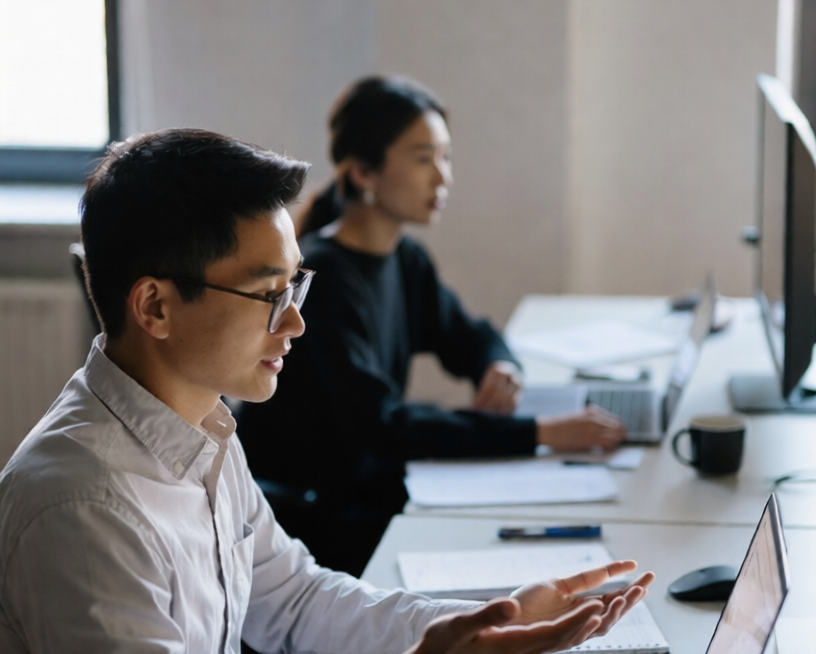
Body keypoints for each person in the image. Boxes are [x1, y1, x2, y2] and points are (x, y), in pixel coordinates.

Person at [0, 129, 653, 654]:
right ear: (154, 307)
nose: (295, 322)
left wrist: (482, 622)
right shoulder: (80, 505)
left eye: (295, 287)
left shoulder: (201, 426)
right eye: (266, 294)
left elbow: (297, 601)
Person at [237, 76, 626, 575]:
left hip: (370, 484)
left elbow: (471, 334)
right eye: (424, 159)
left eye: (444, 157)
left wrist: (499, 364)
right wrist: (538, 431)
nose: (442, 178)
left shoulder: (405, 258)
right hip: (318, 514)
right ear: (363, 173)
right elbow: (384, 426)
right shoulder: (327, 277)